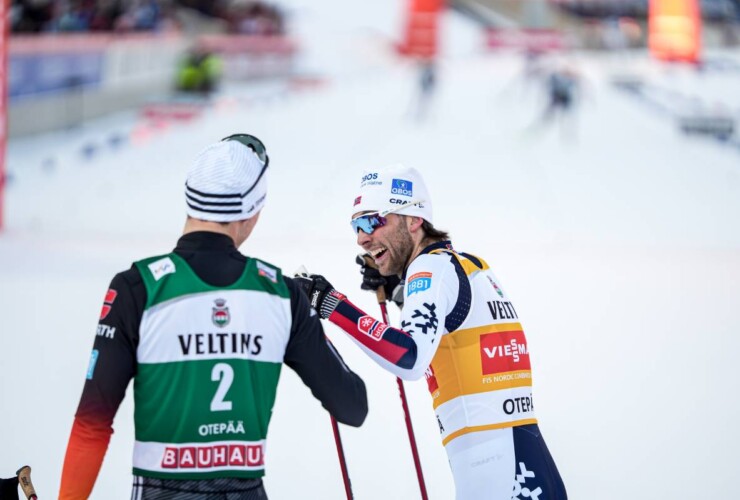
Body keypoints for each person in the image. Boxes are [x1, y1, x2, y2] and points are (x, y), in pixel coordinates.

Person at [59, 134, 368, 499]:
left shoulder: (136, 288)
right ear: (252, 211)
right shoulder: (280, 295)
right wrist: (304, 319)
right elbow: (352, 406)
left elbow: (92, 426)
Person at [295, 165, 566, 499]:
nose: (362, 237)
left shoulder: (430, 268)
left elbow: (409, 356)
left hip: (493, 470)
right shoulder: (467, 264)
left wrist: (331, 304)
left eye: (373, 221)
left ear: (414, 220)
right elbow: (444, 335)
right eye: (356, 226)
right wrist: (399, 292)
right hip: (524, 461)